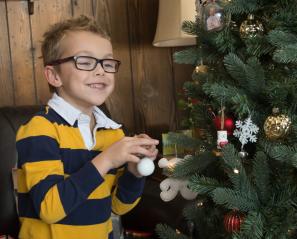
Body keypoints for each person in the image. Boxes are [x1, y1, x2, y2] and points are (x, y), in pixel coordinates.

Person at [16, 15, 159, 239]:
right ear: (54, 75)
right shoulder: (39, 129)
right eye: (84, 61)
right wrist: (107, 160)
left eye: (107, 62)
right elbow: (49, 209)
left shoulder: (113, 133)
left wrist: (134, 173)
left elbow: (118, 207)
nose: (101, 70)